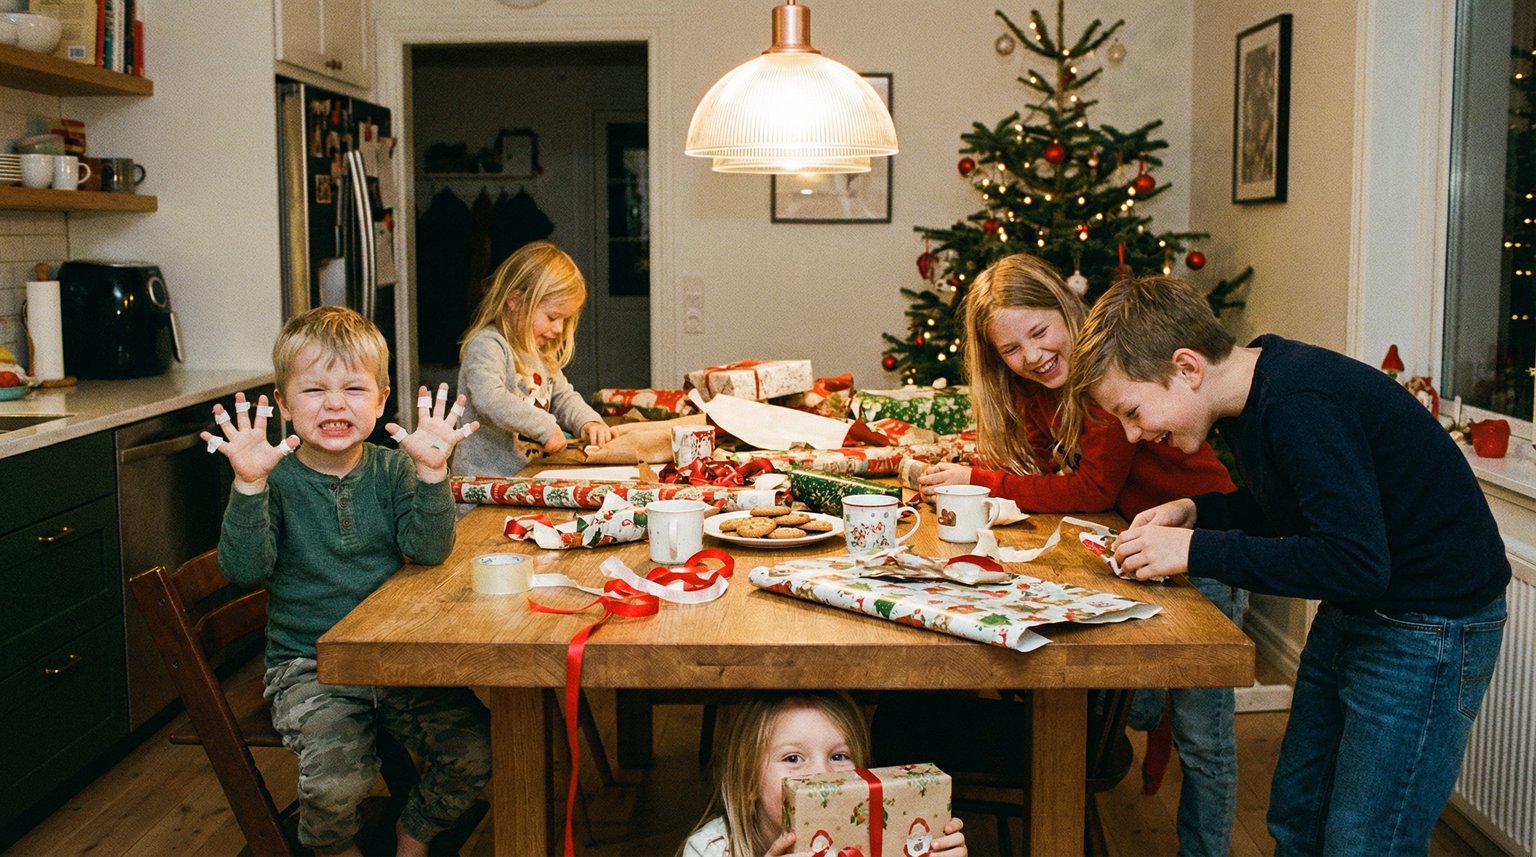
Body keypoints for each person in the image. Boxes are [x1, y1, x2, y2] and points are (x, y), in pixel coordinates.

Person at [1067, 275, 1510, 855]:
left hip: (1431, 627)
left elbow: (1353, 559)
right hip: (1365, 608)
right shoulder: (1254, 396)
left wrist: (1197, 551)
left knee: (1368, 839)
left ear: (1187, 367)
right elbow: (1296, 509)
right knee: (1297, 814)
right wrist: (1197, 511)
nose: (1134, 433)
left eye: (1132, 410)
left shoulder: (1300, 402)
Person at [918, 253, 1244, 857]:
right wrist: (982, 469)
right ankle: (1143, 701)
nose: (1032, 356)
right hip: (1135, 546)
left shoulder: (1101, 379)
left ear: (1066, 309)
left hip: (1208, 546)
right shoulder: (1037, 388)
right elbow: (1048, 467)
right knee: (1126, 687)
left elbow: (1092, 489)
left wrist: (982, 480)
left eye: (1040, 333)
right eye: (1011, 350)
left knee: (1205, 740)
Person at [206, 306, 491, 857]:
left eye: (354, 388)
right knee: (337, 782)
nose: (335, 403)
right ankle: (335, 851)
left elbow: (429, 550)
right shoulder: (273, 479)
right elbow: (243, 570)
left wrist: (434, 475)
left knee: (477, 748)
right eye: (314, 390)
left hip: (396, 656)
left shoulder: (393, 468)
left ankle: (414, 833)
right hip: (308, 664)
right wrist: (247, 486)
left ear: (381, 400)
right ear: (285, 405)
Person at [680, 692, 967, 857]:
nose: (821, 774)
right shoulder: (709, 850)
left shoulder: (881, 840)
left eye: (838, 756)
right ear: (747, 782)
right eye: (793, 758)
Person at [454, 240, 613, 483]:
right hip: (483, 486)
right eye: (553, 317)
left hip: (526, 478)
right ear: (515, 301)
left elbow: (563, 396)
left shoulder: (539, 353)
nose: (559, 329)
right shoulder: (487, 345)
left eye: (565, 321)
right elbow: (490, 398)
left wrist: (587, 421)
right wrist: (545, 427)